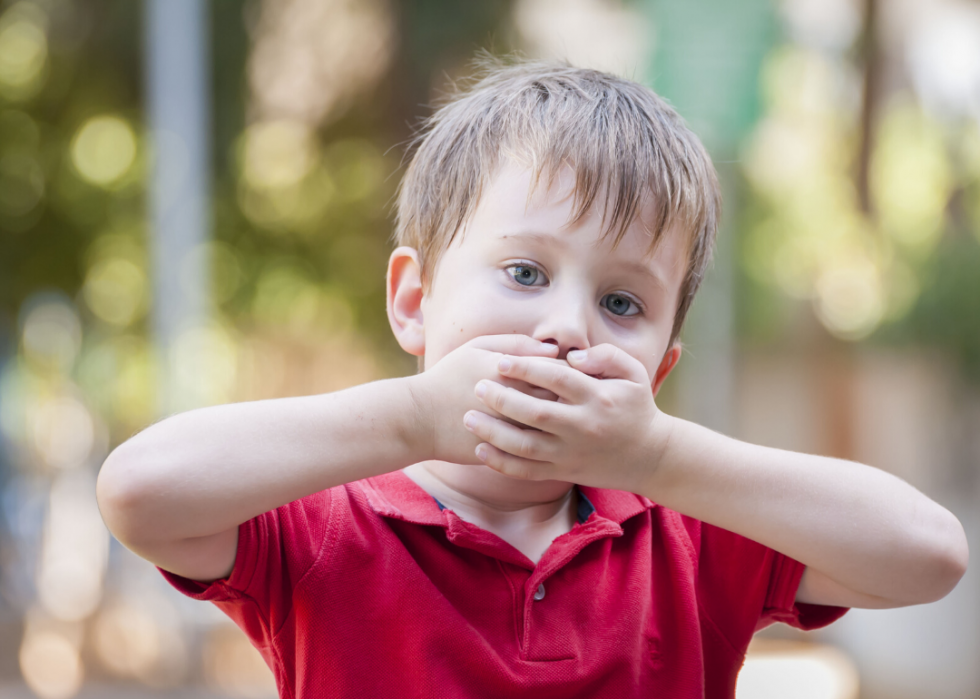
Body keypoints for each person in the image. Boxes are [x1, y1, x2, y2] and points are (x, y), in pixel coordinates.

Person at [96, 59, 968, 698]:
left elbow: (928, 556)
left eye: (623, 301)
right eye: (524, 272)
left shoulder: (690, 537)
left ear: (659, 369)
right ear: (414, 302)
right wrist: (410, 420)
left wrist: (658, 457)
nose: (566, 324)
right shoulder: (330, 523)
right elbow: (140, 491)